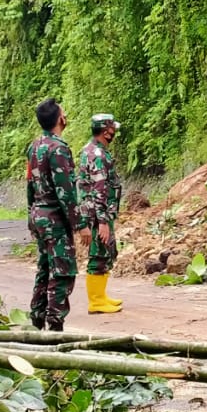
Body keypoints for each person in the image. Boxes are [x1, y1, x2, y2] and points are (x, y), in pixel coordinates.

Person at [26, 98, 85, 329]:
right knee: (62, 271)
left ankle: (37, 318)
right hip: (55, 219)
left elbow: (30, 185)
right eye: (64, 112)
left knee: (44, 268)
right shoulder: (58, 148)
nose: (66, 115)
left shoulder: (34, 147)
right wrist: (79, 224)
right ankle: (55, 325)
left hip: (39, 215)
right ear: (60, 119)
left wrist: (30, 216)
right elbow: (66, 192)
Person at [78, 113, 123, 314]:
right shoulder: (97, 155)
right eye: (112, 129)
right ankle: (96, 301)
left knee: (105, 254)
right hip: (97, 215)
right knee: (99, 254)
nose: (114, 133)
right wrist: (103, 221)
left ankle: (101, 296)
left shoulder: (90, 150)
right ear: (106, 132)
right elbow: (99, 188)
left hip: (96, 212)